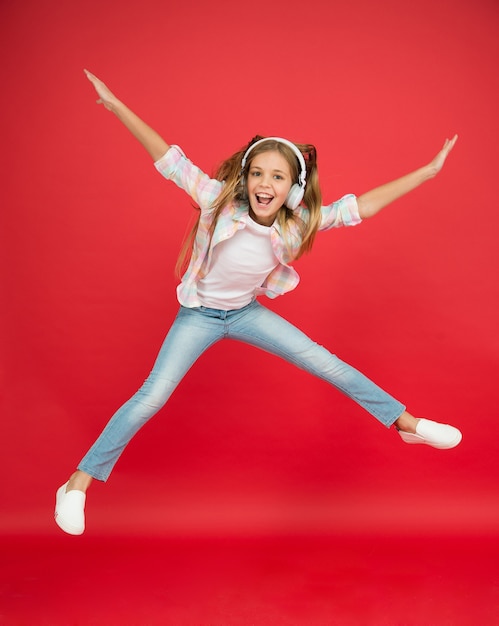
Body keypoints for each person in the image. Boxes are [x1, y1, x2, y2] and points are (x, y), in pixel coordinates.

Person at [55, 70, 462, 535]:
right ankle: (76, 484)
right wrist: (115, 104)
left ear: (293, 188)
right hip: (199, 318)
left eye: (277, 176)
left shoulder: (298, 223)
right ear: (246, 177)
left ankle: (406, 423)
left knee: (325, 363)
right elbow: (169, 159)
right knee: (152, 397)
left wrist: (428, 172)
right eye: (257, 173)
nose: (263, 183)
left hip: (246, 314)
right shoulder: (215, 201)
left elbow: (362, 208)